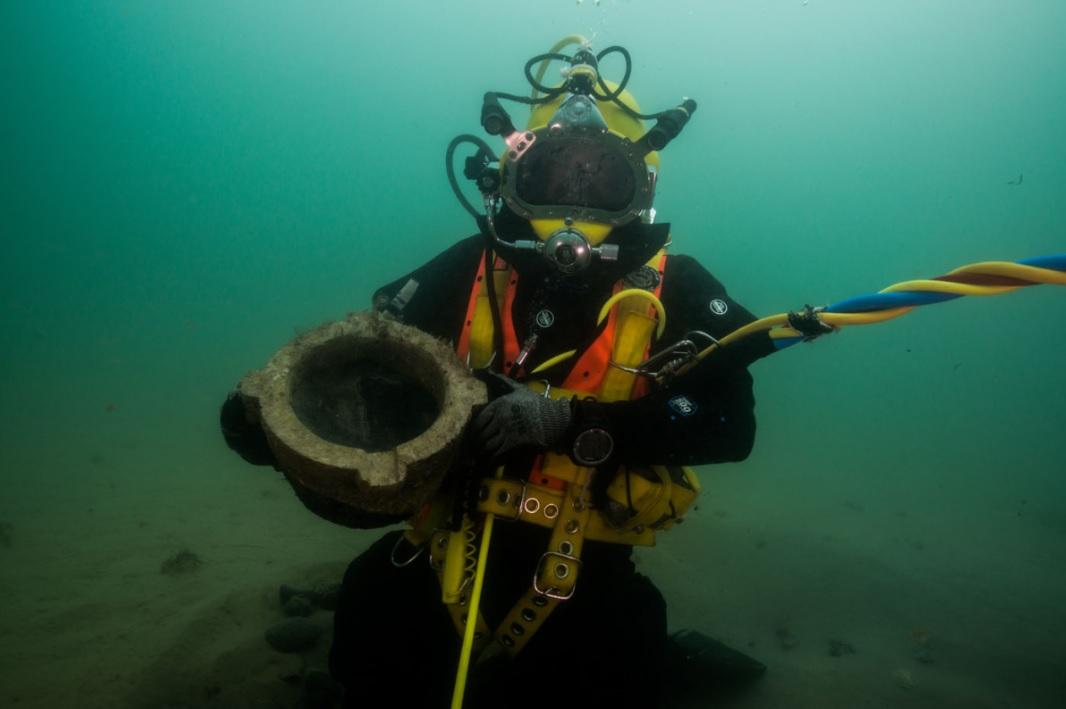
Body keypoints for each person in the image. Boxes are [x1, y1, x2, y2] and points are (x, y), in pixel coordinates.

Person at [223, 39, 792, 708]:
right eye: (552, 174)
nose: (575, 204)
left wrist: (578, 425)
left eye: (603, 179)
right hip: (444, 539)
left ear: (643, 186)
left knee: (625, 652)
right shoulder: (471, 265)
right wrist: (280, 425)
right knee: (370, 613)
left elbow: (731, 427)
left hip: (592, 569)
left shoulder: (679, 286)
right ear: (510, 175)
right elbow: (372, 366)